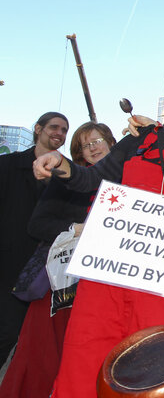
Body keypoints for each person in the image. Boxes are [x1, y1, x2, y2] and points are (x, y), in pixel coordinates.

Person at [32, 46, 164, 398]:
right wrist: (62, 165)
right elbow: (91, 180)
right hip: (105, 286)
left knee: (152, 388)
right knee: (79, 379)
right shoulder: (141, 140)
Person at [0, 122, 116, 398]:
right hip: (61, 288)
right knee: (42, 358)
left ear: (112, 143)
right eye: (86, 145)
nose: (94, 148)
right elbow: (37, 226)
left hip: (105, 288)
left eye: (98, 140)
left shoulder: (130, 181)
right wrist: (77, 228)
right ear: (80, 154)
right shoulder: (70, 181)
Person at [0, 111, 69, 367]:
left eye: (64, 130)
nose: (59, 134)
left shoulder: (67, 175)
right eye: (54, 127)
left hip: (39, 272)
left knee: (20, 339)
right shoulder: (7, 166)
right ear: (38, 129)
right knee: (5, 334)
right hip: (6, 261)